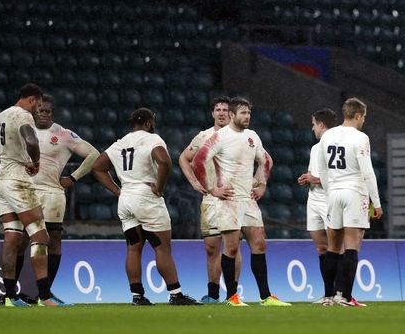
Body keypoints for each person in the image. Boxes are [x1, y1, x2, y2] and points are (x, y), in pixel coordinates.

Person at [92, 108, 199, 306]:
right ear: (149, 123)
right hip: (146, 197)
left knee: (133, 248)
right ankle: (175, 294)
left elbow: (97, 167)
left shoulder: (120, 143)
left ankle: (137, 296)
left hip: (126, 199)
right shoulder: (152, 139)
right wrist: (159, 187)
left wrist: (117, 191)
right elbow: (165, 161)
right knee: (162, 248)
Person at [0, 95, 100, 305]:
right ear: (34, 111)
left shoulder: (63, 134)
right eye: (40, 110)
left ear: (52, 113)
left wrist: (73, 177)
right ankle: (11, 295)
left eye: (48, 111)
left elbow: (93, 154)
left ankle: (44, 293)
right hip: (25, 190)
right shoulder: (23, 129)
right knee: (20, 241)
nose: (44, 114)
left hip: (53, 194)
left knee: (52, 242)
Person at [192, 97, 291, 306]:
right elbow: (198, 160)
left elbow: (264, 161)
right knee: (232, 248)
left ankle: (266, 297)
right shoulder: (219, 137)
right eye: (243, 113)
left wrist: (262, 185)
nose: (247, 117)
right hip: (228, 200)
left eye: (249, 113)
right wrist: (212, 189)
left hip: (248, 199)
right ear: (232, 115)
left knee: (259, 244)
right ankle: (231, 297)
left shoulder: (252, 136)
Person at [0, 83, 64, 306]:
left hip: (1, 181)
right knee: (40, 237)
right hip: (18, 182)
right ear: (33, 100)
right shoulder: (24, 116)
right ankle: (45, 296)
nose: (39, 110)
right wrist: (35, 162)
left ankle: (9, 296)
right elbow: (32, 140)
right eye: (39, 105)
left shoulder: (2, 115)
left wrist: (4, 160)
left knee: (13, 237)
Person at [316, 97, 383, 307]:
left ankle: (328, 296)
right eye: (363, 117)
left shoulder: (327, 136)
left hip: (334, 192)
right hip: (354, 192)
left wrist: (330, 191)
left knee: (333, 247)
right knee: (352, 245)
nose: (363, 120)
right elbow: (367, 171)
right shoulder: (361, 137)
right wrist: (377, 202)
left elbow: (323, 170)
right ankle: (345, 296)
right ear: (357, 115)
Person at [178, 96, 244, 304]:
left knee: (232, 247)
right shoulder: (204, 136)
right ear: (212, 113)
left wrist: (255, 183)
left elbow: (261, 158)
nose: (222, 113)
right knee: (211, 247)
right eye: (218, 110)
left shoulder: (241, 136)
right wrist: (195, 183)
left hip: (232, 198)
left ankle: (232, 294)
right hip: (210, 198)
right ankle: (213, 294)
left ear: (231, 114)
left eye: (226, 109)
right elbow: (183, 158)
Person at [296, 108, 348, 306]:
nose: (312, 128)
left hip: (330, 200)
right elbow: (315, 174)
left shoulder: (336, 146)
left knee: (337, 247)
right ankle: (328, 294)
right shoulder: (315, 148)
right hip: (314, 201)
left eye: (313, 124)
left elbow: (337, 178)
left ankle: (341, 294)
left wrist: (315, 179)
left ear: (321, 124)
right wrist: (308, 178)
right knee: (321, 248)